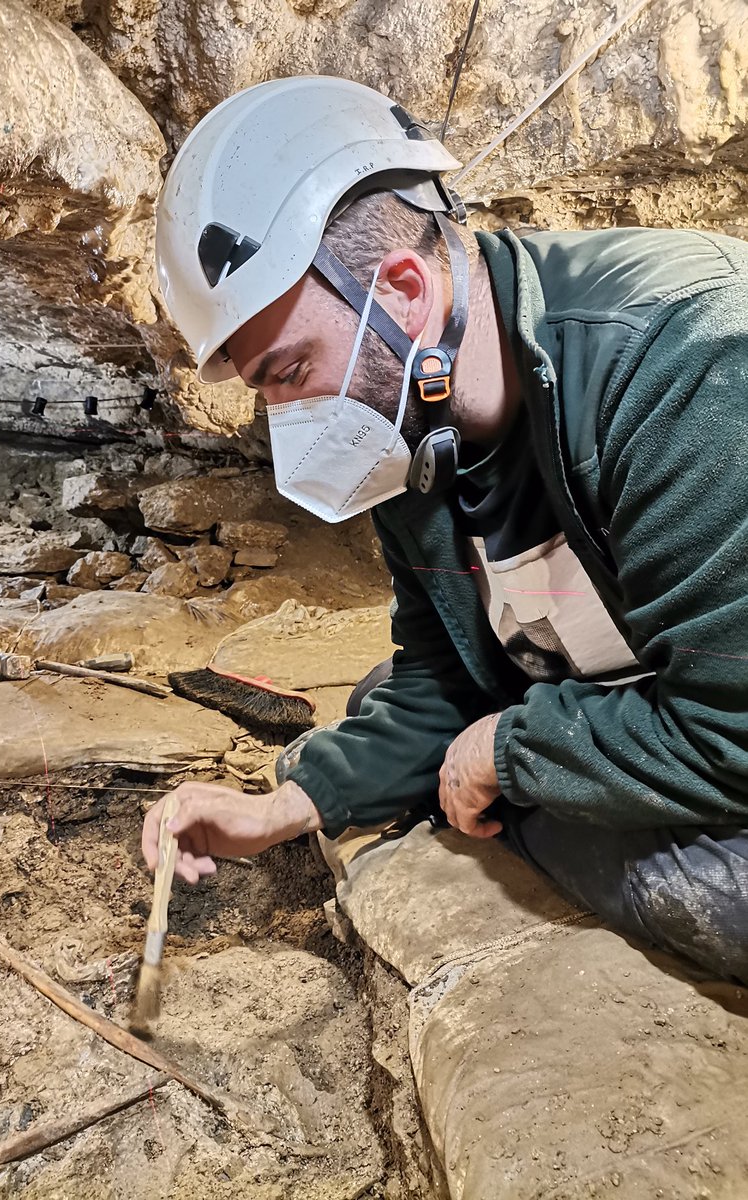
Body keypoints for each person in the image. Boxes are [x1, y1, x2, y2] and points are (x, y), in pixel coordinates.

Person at [142, 76, 748, 983]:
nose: (286, 418)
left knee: (716, 889)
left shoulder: (687, 366)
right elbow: (441, 673)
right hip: (646, 680)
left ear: (405, 289)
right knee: (386, 699)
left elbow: (731, 731)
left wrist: (509, 748)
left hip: (725, 707)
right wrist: (286, 806)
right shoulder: (410, 411)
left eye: (290, 370)